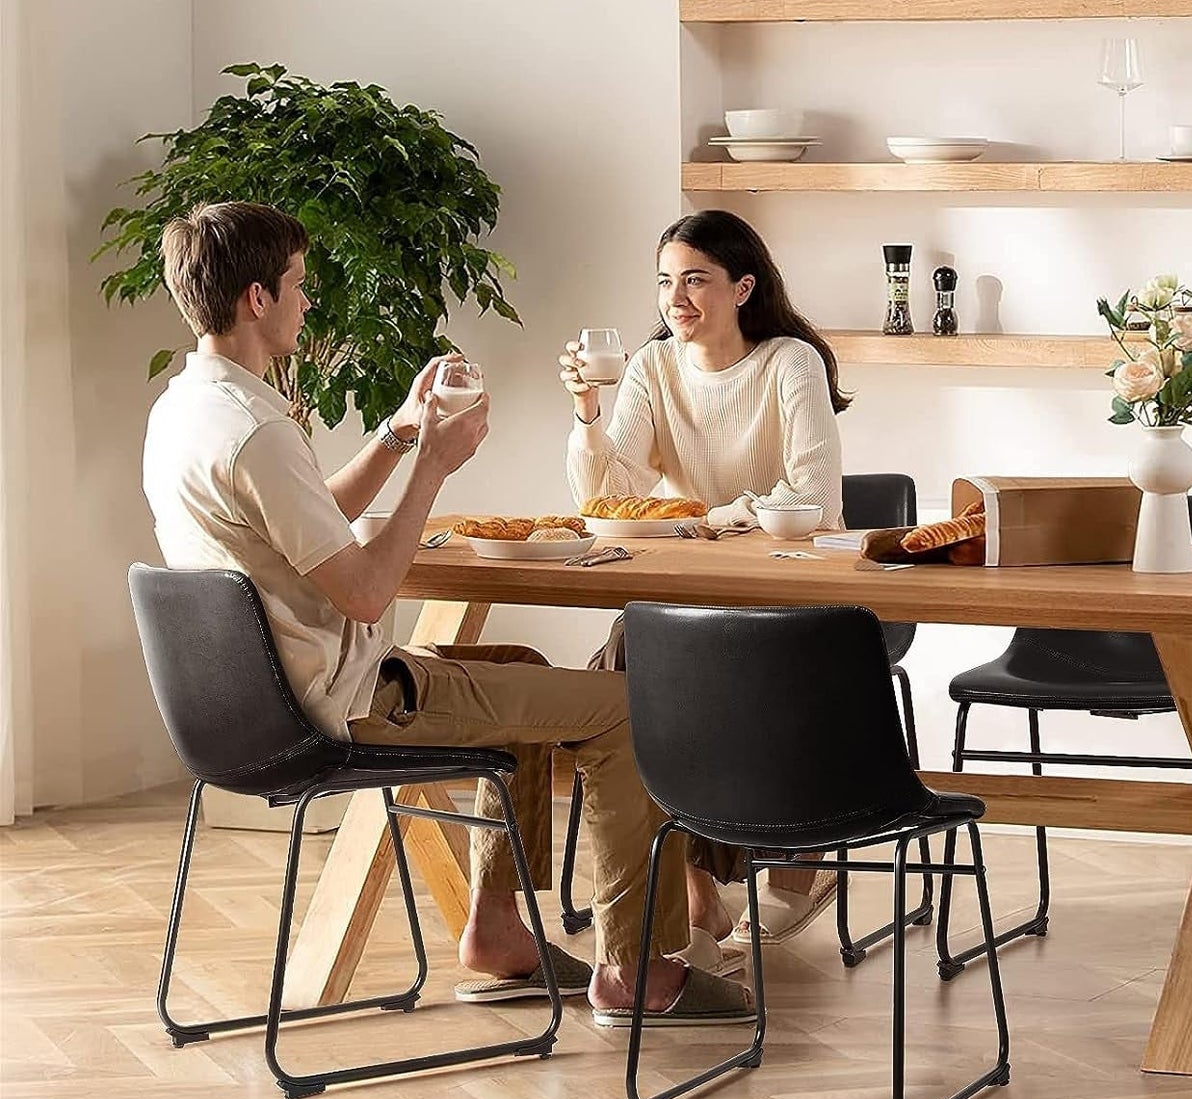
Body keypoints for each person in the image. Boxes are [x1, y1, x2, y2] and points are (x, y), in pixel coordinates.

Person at [140, 201, 751, 1028]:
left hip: (248, 710)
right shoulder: (257, 429)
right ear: (257, 299)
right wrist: (432, 465)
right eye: (296, 286)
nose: (307, 302)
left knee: (526, 674)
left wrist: (395, 435)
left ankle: (498, 933)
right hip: (341, 702)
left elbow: (310, 517)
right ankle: (636, 972)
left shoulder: (187, 410)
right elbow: (362, 590)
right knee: (621, 709)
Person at [560, 209, 848, 952]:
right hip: (689, 589)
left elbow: (814, 497)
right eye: (664, 281)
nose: (675, 298)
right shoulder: (653, 367)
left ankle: (795, 862)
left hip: (785, 591)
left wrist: (701, 516)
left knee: (735, 667)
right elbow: (604, 494)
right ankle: (695, 892)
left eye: (695, 279)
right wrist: (587, 410)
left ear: (742, 286)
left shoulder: (789, 361)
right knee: (628, 655)